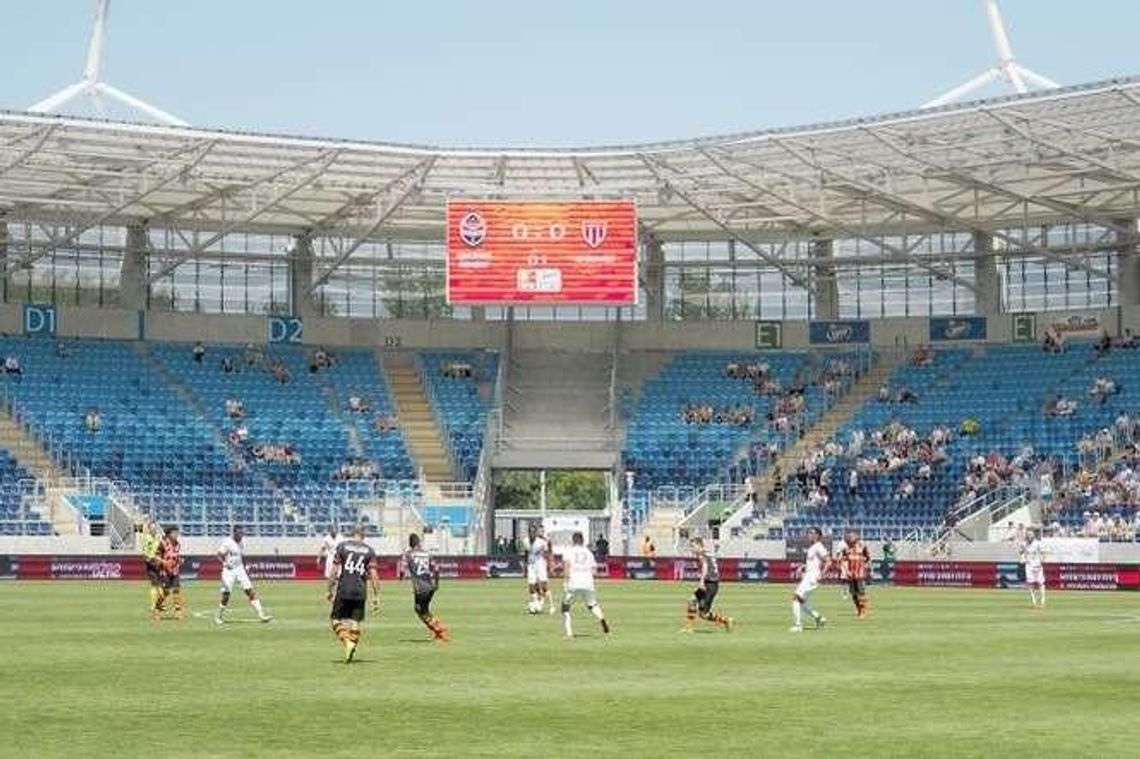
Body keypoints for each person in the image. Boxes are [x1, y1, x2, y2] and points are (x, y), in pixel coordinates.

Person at [328, 524, 380, 664]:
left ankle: (347, 641)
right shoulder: (369, 551)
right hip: (360, 590)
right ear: (364, 535)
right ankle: (350, 647)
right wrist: (376, 595)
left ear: (352, 534)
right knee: (355, 622)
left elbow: (334, 571)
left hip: (344, 588)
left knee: (335, 619)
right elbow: (374, 574)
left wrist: (330, 589)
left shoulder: (342, 546)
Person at [214, 526, 272, 624]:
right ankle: (218, 616)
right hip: (229, 571)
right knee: (226, 594)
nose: (241, 535)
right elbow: (219, 554)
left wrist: (245, 567)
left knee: (249, 591)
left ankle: (261, 615)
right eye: (239, 533)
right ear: (234, 533)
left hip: (239, 569)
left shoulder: (243, 542)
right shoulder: (227, 542)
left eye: (242, 533)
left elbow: (241, 555)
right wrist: (225, 563)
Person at [560, 531, 609, 639]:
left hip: (574, 582)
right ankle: (601, 618)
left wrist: (566, 582)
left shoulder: (568, 552)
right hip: (588, 582)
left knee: (565, 608)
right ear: (582, 541)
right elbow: (595, 571)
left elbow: (567, 568)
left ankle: (569, 634)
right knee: (592, 605)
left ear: (573, 540)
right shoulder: (589, 553)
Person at [401, 533, 449, 642]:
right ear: (419, 543)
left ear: (410, 543)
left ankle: (440, 631)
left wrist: (401, 576)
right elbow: (436, 569)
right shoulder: (427, 554)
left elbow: (402, 569)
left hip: (420, 587)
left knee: (420, 610)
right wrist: (436, 583)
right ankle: (437, 630)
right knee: (424, 610)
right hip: (430, 586)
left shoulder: (408, 554)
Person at [681, 537, 734, 633]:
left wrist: (701, 581)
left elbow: (705, 566)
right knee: (692, 601)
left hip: (710, 584)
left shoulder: (701, 555)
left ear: (699, 545)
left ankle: (726, 620)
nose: (691, 549)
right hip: (711, 583)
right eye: (691, 546)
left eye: (693, 546)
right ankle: (689, 628)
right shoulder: (708, 553)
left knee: (703, 614)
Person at [790, 527, 831, 632]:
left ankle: (798, 625)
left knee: (796, 598)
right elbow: (814, 562)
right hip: (809, 576)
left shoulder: (819, 546)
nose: (809, 535)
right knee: (802, 601)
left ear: (818, 535)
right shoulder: (813, 547)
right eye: (808, 533)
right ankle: (819, 618)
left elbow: (828, 561)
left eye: (812, 533)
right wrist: (803, 566)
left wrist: (822, 574)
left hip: (812, 577)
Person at [838, 531, 871, 618]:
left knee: (861, 592)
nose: (849, 542)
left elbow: (868, 557)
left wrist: (865, 565)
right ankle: (858, 609)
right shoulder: (846, 549)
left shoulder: (862, 547)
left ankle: (863, 611)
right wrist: (846, 571)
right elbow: (842, 560)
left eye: (851, 539)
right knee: (853, 593)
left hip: (860, 573)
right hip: (851, 574)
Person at [156, 525, 185, 621]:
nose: (177, 534)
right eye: (175, 532)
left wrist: (179, 560)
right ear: (169, 533)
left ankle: (178, 611)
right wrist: (164, 562)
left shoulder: (178, 544)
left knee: (176, 590)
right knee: (166, 592)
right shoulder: (163, 543)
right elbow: (156, 556)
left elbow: (176, 556)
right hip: (165, 571)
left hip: (175, 571)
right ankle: (157, 608)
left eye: (177, 532)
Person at [524, 523, 553, 615]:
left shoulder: (541, 542)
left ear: (536, 533)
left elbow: (548, 553)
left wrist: (549, 565)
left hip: (540, 564)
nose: (531, 533)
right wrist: (525, 565)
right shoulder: (525, 541)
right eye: (530, 532)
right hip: (531, 565)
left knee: (544, 585)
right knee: (532, 586)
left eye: (533, 532)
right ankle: (536, 603)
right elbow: (526, 553)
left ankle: (551, 605)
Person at [139, 520, 165, 620]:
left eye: (155, 527)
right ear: (149, 529)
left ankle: (158, 604)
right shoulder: (147, 538)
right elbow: (145, 553)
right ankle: (154, 605)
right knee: (156, 586)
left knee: (161, 586)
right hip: (151, 564)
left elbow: (162, 550)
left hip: (159, 564)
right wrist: (150, 560)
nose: (154, 529)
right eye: (152, 527)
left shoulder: (158, 538)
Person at [1020, 529, 1048, 610]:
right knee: (1030, 583)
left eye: (1030, 534)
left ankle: (1042, 602)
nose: (1029, 536)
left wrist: (1042, 560)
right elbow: (1021, 552)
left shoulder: (1038, 543)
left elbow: (1044, 553)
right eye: (1028, 534)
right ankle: (1034, 602)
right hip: (1028, 565)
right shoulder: (1024, 544)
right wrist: (1022, 557)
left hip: (1037, 565)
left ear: (1033, 535)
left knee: (1040, 583)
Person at [317, 526, 343, 599]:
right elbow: (322, 549)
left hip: (339, 558)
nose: (334, 531)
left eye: (335, 530)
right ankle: (329, 591)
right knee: (330, 577)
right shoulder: (326, 539)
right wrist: (319, 558)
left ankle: (337, 592)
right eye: (332, 530)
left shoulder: (340, 538)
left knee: (339, 577)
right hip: (330, 559)